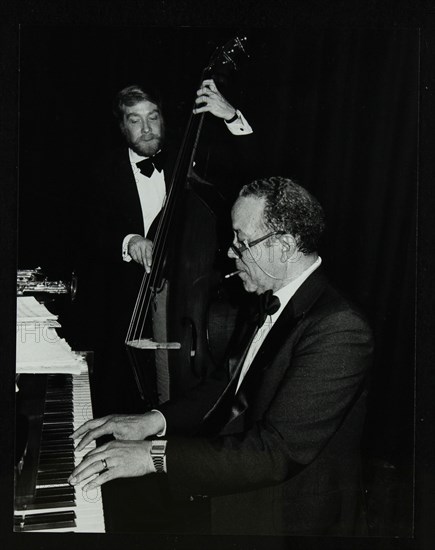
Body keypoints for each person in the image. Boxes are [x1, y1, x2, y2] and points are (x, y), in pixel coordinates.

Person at [70, 176, 373, 536]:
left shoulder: (340, 329)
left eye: (242, 241)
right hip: (235, 484)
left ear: (286, 246)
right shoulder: (269, 297)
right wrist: (153, 421)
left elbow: (275, 453)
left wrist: (154, 455)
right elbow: (229, 384)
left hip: (286, 516)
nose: (231, 252)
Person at [74, 81, 252, 415]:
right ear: (122, 126)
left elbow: (247, 170)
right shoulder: (101, 171)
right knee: (121, 389)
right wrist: (129, 241)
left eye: (153, 117)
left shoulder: (190, 160)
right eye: (134, 120)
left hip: (189, 299)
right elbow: (88, 231)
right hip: (127, 303)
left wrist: (231, 118)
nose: (146, 128)